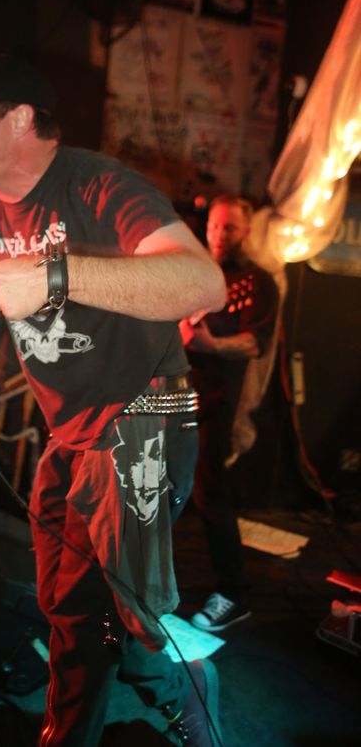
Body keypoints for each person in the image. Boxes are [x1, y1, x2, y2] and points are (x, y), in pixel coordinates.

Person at [0, 53, 226, 746]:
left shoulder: (97, 183)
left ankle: (185, 682)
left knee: (132, 613)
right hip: (71, 433)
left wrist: (55, 275)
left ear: (18, 120)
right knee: (68, 608)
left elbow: (203, 284)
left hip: (143, 415)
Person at [179, 195, 279, 633]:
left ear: (247, 232)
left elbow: (255, 343)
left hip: (219, 404)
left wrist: (212, 344)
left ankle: (234, 594)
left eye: (230, 228)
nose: (220, 235)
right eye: (216, 226)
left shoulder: (258, 282)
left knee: (209, 494)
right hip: (172, 396)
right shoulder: (191, 269)